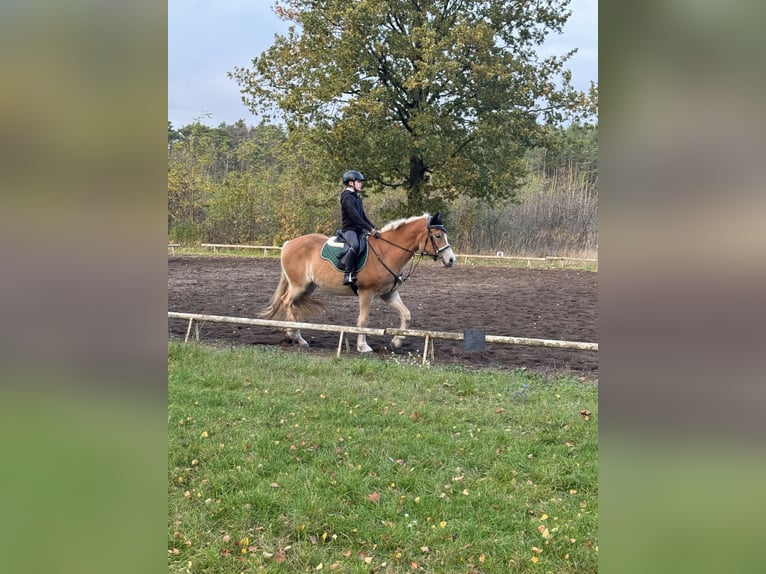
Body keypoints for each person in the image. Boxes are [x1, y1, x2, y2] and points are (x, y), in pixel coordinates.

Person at [339, 170, 380, 285]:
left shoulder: (356, 197)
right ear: (351, 183)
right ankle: (347, 275)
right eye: (358, 181)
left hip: (359, 230)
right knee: (355, 245)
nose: (361, 184)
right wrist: (370, 229)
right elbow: (355, 217)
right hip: (349, 230)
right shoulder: (347, 197)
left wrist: (374, 228)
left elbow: (363, 217)